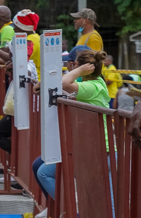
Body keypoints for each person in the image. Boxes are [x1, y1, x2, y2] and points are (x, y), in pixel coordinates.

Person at [34, 48, 110, 199]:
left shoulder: (92, 87)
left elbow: (64, 83)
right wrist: (43, 83)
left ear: (84, 69)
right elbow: (59, 81)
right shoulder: (87, 80)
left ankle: (70, 215)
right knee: (39, 164)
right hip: (86, 144)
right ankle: (63, 212)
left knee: (43, 172)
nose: (71, 67)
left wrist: (80, 70)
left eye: (74, 65)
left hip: (96, 149)